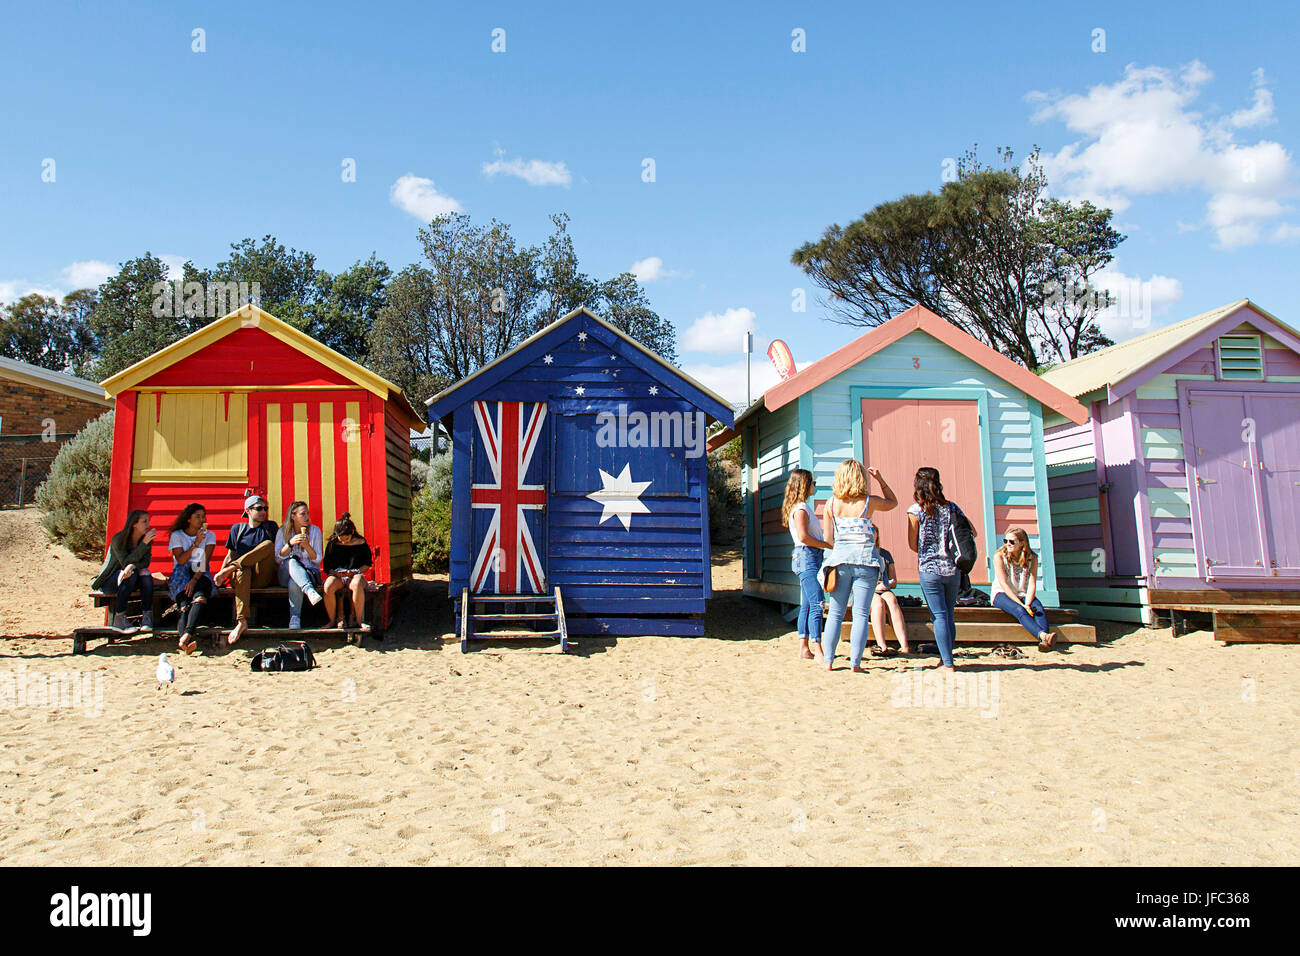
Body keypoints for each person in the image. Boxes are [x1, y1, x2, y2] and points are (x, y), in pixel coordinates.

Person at [819, 460, 897, 672]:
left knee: (835, 612)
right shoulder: (868, 503)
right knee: (861, 614)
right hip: (866, 561)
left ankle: (828, 662)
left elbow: (828, 538)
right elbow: (893, 502)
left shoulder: (831, 504)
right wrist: (880, 479)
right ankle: (855, 663)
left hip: (841, 561)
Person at [906, 466, 976, 672]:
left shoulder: (915, 510)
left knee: (938, 615)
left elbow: (912, 544)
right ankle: (946, 658)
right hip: (952, 568)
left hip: (929, 568)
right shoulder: (952, 507)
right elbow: (972, 531)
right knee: (948, 614)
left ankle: (947, 663)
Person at [213, 494, 279, 645]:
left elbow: (275, 551)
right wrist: (221, 575)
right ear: (248, 511)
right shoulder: (238, 529)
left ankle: (231, 570)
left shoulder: (270, 527)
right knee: (243, 571)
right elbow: (230, 555)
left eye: (265, 508)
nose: (263, 511)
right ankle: (242, 621)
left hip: (262, 575)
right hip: (242, 577)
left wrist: (226, 571)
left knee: (268, 544)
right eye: (259, 508)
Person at [780, 468, 832, 662]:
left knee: (808, 604)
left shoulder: (800, 507)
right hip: (807, 556)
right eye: (812, 483)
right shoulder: (801, 509)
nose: (815, 486)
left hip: (807, 557)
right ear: (804, 485)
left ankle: (804, 647)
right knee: (818, 602)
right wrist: (827, 544)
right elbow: (804, 537)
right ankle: (818, 648)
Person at [93, 509, 157, 633]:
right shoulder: (119, 539)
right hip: (110, 581)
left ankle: (147, 617)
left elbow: (145, 562)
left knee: (146, 574)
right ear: (134, 524)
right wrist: (143, 545)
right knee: (129, 574)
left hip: (130, 579)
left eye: (148, 521)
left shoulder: (146, 540)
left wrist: (133, 566)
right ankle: (119, 619)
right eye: (144, 522)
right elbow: (124, 563)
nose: (148, 525)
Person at [992, 526, 1055, 651]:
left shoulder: (1032, 558)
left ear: (1022, 543)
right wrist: (1022, 604)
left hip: (1022, 593)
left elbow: (1032, 583)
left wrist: (1028, 602)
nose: (1008, 544)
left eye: (1012, 541)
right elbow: (1003, 583)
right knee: (1019, 610)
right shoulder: (999, 556)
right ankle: (1044, 636)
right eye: (1006, 541)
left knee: (1038, 608)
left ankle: (1045, 642)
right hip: (1002, 593)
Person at [167, 503, 216, 654]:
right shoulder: (177, 535)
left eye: (203, 516)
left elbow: (204, 561)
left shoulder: (209, 535)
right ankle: (185, 641)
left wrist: (194, 579)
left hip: (199, 571)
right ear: (188, 519)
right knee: (184, 605)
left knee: (200, 597)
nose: (201, 520)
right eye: (197, 517)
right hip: (182, 571)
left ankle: (186, 635)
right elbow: (180, 560)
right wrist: (195, 544)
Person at [274, 501, 324, 629]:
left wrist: (307, 546)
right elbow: (278, 559)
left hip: (309, 573)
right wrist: (290, 544)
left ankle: (295, 618)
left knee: (294, 581)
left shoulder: (315, 531)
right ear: (293, 516)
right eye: (302, 514)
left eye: (307, 513)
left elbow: (317, 560)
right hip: (285, 573)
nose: (307, 517)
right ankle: (309, 591)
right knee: (291, 561)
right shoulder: (283, 532)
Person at [322, 514, 373, 631]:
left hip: (355, 575)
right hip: (337, 575)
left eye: (347, 538)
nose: (344, 541)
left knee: (357, 583)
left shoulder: (361, 543)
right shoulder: (332, 545)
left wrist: (356, 571)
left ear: (352, 533)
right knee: (328, 586)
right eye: (341, 538)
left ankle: (359, 620)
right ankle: (332, 620)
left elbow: (367, 564)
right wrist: (335, 573)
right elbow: (326, 566)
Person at [868, 527, 911, 655]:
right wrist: (875, 587)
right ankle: (882, 645)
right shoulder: (863, 553)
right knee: (878, 603)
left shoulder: (885, 554)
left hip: (883, 588)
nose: (871, 534)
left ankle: (904, 646)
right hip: (868, 590)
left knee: (892, 600)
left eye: (873, 531)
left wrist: (888, 583)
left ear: (877, 534)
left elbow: (894, 580)